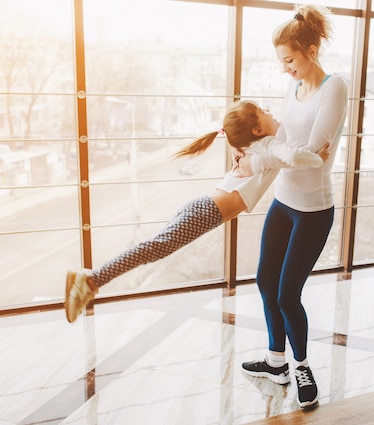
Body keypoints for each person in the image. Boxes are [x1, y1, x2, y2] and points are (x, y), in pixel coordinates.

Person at [64, 100, 330, 323]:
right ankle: (90, 279)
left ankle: (91, 281)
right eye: (264, 111)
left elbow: (284, 152)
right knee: (154, 248)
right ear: (258, 129)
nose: (272, 111)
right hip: (207, 211)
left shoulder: (255, 146)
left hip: (204, 208)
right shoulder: (267, 146)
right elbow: (292, 156)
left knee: (154, 248)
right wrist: (318, 157)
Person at [239, 4, 348, 409]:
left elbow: (312, 155)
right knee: (266, 281)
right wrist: (253, 152)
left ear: (312, 51)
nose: (286, 68)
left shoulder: (333, 87)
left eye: (290, 59)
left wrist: (272, 156)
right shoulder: (294, 87)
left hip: (313, 210)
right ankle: (275, 361)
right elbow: (288, 144)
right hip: (283, 201)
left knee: (287, 294)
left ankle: (301, 366)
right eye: (281, 61)